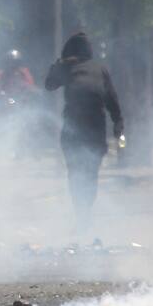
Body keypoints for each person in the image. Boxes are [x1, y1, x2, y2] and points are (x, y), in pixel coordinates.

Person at [45, 32, 123, 223]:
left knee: (75, 173)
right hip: (94, 130)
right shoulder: (100, 69)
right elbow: (112, 100)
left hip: (75, 130)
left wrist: (57, 65)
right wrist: (118, 124)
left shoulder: (66, 67)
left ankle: (82, 213)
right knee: (90, 173)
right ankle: (84, 213)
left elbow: (49, 84)